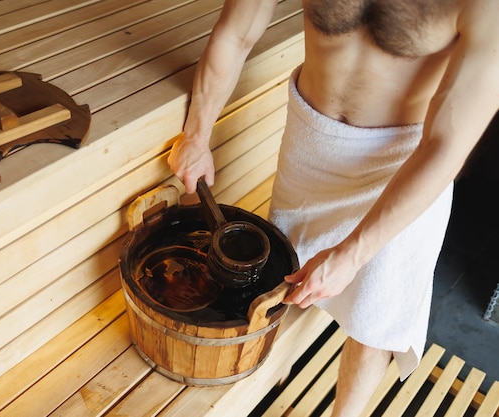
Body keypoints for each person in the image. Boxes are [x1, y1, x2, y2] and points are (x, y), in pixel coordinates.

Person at [167, 0, 499, 415]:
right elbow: (237, 32)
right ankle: (268, 378)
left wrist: (353, 253)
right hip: (312, 144)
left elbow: (445, 146)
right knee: (281, 275)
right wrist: (197, 136)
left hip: (404, 163)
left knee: (375, 315)